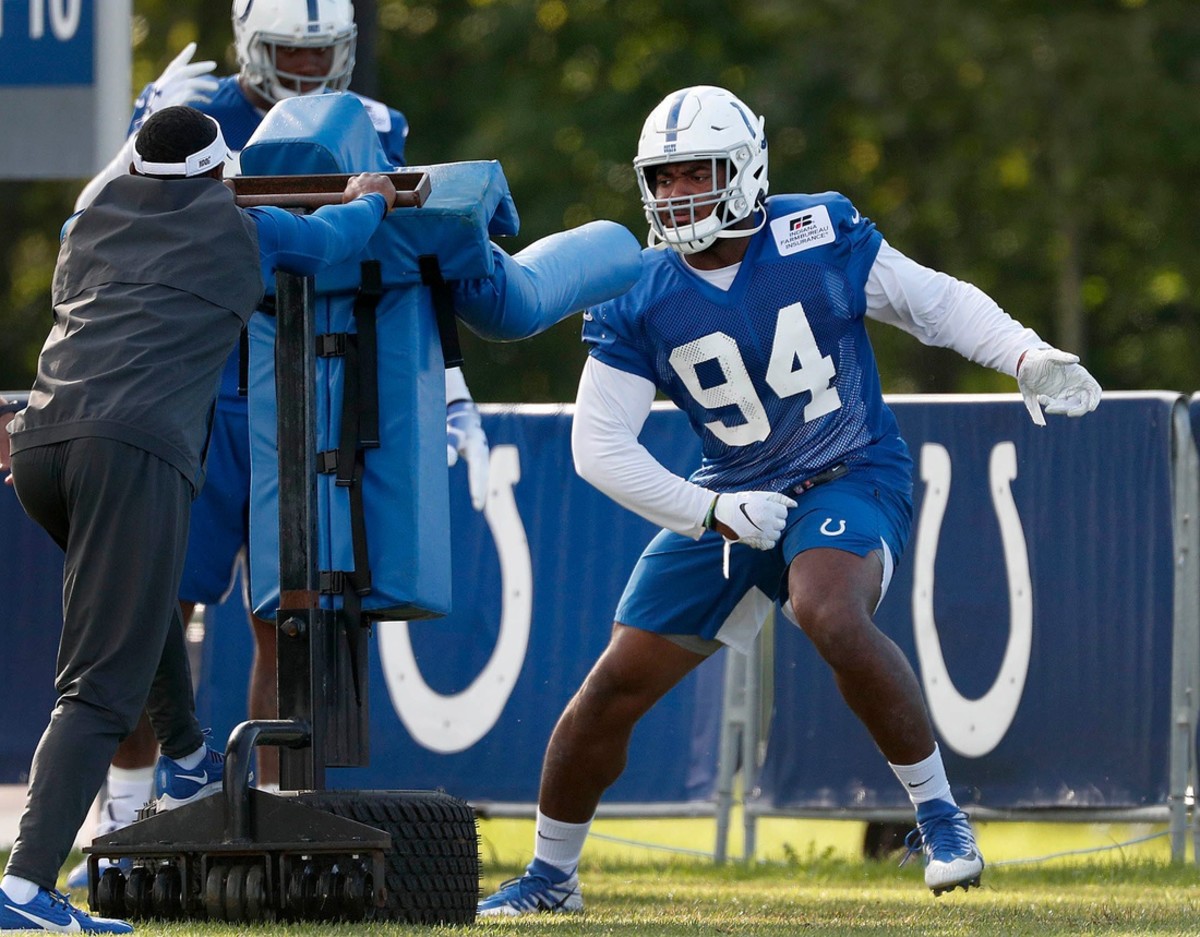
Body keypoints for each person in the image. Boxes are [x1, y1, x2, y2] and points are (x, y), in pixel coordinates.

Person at [477, 85, 1102, 916]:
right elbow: (598, 447)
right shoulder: (637, 290)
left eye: (695, 173)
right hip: (730, 494)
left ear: (743, 170)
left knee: (828, 609)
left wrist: (1024, 354)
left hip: (848, 470)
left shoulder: (817, 231)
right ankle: (552, 876)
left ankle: (941, 819)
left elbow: (934, 302)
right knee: (614, 684)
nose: (675, 194)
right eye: (662, 178)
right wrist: (710, 511)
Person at [67, 0, 490, 887]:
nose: (304, 70)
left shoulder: (374, 124)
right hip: (197, 388)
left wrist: (449, 381)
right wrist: (137, 132)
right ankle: (127, 811)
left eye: (319, 51)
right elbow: (100, 225)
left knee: (289, 618)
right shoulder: (195, 113)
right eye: (288, 52)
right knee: (149, 611)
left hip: (303, 384)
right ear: (248, 44)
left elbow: (418, 257)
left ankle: (275, 816)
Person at [0, 104, 399, 933]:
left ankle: (184, 755)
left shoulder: (86, 222)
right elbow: (332, 241)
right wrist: (371, 196)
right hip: (130, 449)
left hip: (38, 447)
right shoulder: (243, 225)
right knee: (99, 689)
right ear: (222, 171)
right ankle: (25, 886)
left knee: (141, 602)